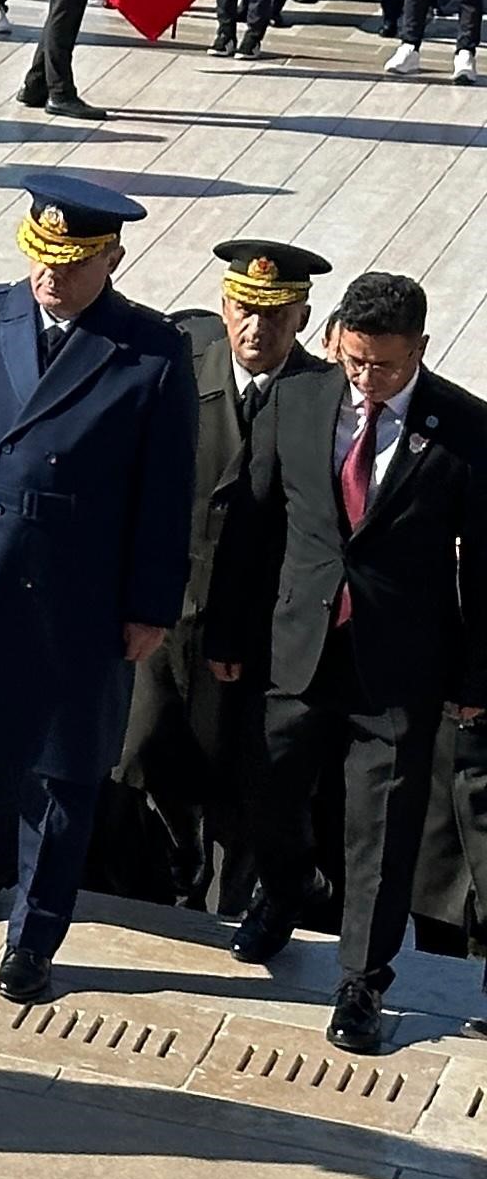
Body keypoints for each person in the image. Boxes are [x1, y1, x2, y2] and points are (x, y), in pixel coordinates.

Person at [0, 173, 196, 1005]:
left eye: (75, 261)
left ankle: (37, 929)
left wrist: (149, 604)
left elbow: (167, 496)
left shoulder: (152, 352)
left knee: (65, 768)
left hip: (79, 583)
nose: (52, 275)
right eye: (43, 257)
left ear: (112, 258)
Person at [240, 270, 487, 1052]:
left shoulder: (466, 430)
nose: (365, 378)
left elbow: (484, 567)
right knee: (267, 792)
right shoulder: (301, 400)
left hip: (400, 664)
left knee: (380, 829)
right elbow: (255, 524)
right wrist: (226, 636)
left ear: (419, 348)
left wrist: (477, 678)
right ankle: (285, 889)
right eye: (353, 360)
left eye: (382, 365)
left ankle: (362, 982)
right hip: (299, 646)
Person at [120, 238, 331, 916]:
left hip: (257, 632)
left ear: (300, 316)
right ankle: (176, 853)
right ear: (223, 302)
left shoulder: (321, 400)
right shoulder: (180, 372)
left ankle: (230, 905)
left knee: (243, 787)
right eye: (243, 309)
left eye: (274, 314)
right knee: (147, 752)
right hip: (169, 613)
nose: (254, 328)